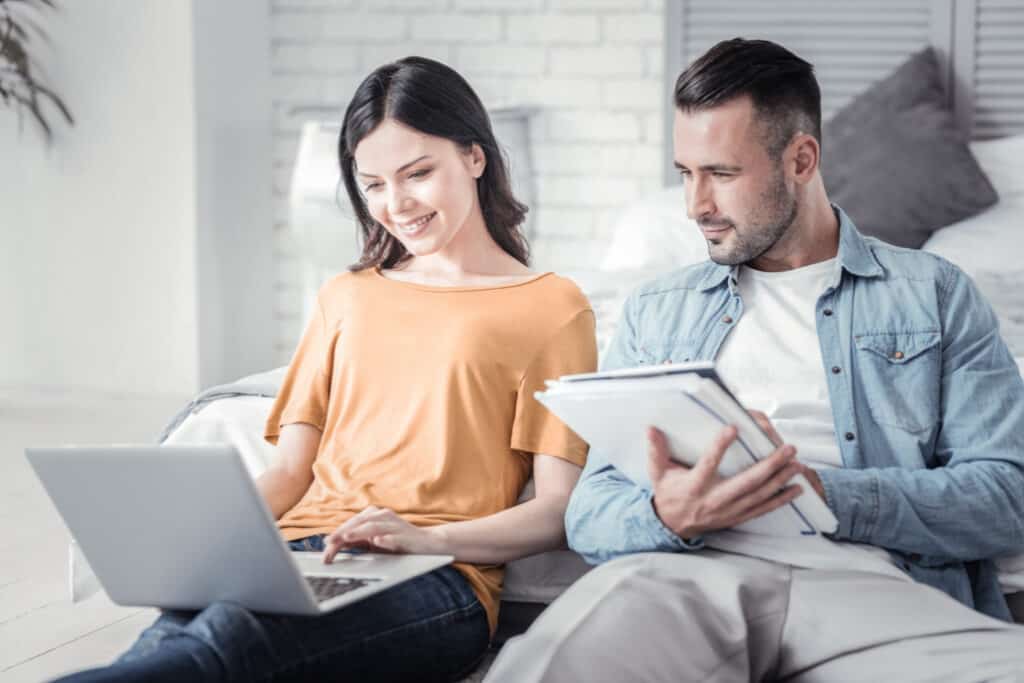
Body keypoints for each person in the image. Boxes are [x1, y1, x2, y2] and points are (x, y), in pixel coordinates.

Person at [485, 38, 1024, 682]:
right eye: (685, 173)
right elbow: (591, 510)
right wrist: (667, 515)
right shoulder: (659, 309)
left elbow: (1006, 496)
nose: (696, 205)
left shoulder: (934, 292)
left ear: (801, 159)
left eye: (722, 174)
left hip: (877, 586)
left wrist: (823, 493)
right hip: (685, 578)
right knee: (551, 666)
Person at [58, 56, 596, 683]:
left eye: (418, 173)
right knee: (171, 644)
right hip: (294, 552)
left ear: (475, 157)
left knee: (224, 646)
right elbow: (291, 471)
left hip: (436, 579)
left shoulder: (551, 306)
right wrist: (199, 543)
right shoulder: (347, 295)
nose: (396, 204)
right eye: (372, 184)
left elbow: (558, 509)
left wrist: (428, 539)